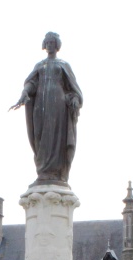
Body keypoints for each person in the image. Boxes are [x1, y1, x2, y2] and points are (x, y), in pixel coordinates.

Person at [10, 32, 83, 185]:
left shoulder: (63, 65)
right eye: (48, 42)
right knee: (41, 137)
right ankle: (43, 170)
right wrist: (25, 92)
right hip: (40, 106)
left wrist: (75, 99)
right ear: (45, 45)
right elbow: (32, 83)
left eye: (53, 42)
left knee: (57, 138)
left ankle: (56, 172)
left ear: (57, 45)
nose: (50, 45)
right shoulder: (39, 65)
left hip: (58, 106)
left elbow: (73, 89)